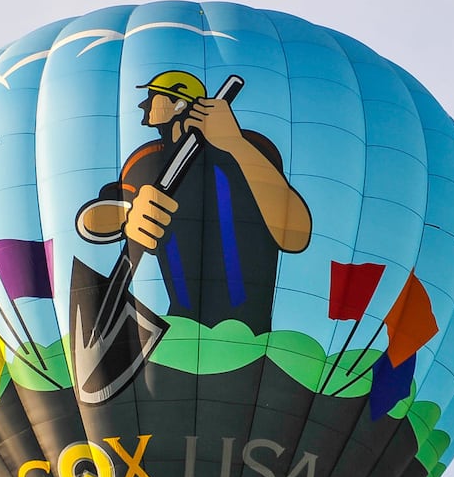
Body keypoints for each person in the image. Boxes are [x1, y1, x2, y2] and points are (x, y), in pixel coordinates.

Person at [75, 71, 311, 333]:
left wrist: (235, 144)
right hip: (180, 327)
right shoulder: (148, 160)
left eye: (154, 97)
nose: (144, 104)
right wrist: (130, 215)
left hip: (251, 331)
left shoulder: (252, 151)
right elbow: (92, 220)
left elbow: (296, 236)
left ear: (178, 104)